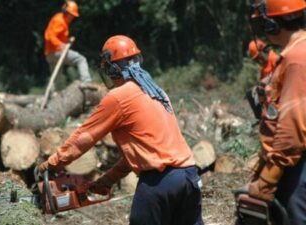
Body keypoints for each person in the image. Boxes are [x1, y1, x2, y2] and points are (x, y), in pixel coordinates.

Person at [38, 35, 204, 225]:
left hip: (158, 182)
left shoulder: (118, 97)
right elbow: (143, 152)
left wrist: (52, 164)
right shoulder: (156, 92)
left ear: (112, 68)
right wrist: (107, 180)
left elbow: (85, 136)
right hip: (189, 177)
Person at [248, 0, 306, 224]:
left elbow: (292, 124)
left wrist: (268, 177)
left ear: (272, 24)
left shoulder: (296, 59)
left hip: (297, 165)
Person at [44, 0, 92, 89]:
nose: (73, 17)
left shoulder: (59, 19)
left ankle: (49, 96)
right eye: (72, 15)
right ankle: (86, 82)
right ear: (67, 12)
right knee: (81, 59)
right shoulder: (60, 21)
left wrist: (67, 42)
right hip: (56, 52)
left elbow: (56, 36)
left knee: (55, 78)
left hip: (50, 54)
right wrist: (60, 45)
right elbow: (50, 36)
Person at [245, 39, 278, 120]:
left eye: (258, 57)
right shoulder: (263, 67)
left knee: (263, 90)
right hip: (268, 90)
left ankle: (270, 115)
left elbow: (279, 72)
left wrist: (266, 80)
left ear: (262, 51)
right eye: (256, 60)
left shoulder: (274, 58)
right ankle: (260, 118)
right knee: (250, 93)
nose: (259, 61)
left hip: (276, 88)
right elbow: (261, 81)